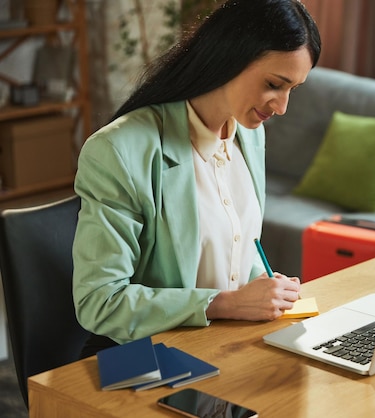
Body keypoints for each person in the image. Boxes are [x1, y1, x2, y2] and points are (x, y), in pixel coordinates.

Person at [72, 0, 321, 357]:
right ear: (231, 56)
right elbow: (100, 302)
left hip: (218, 345)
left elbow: (235, 247)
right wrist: (226, 304)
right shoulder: (118, 150)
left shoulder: (249, 134)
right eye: (273, 84)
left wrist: (261, 288)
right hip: (146, 354)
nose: (281, 107)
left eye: (291, 90)